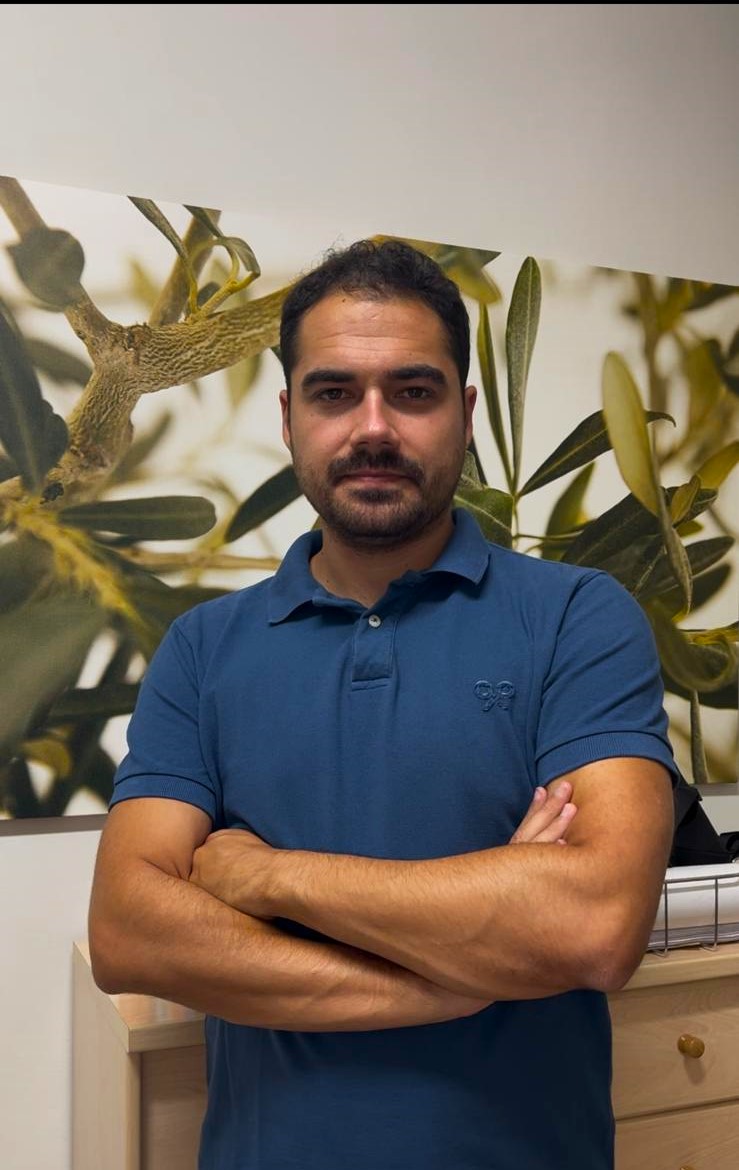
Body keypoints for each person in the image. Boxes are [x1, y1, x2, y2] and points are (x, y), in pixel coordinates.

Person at [89, 240, 677, 1170]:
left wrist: (266, 877)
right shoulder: (203, 647)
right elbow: (128, 931)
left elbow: (595, 926)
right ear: (289, 418)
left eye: (412, 391)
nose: (373, 428)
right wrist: (454, 979)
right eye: (333, 393)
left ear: (466, 415)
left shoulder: (575, 617)